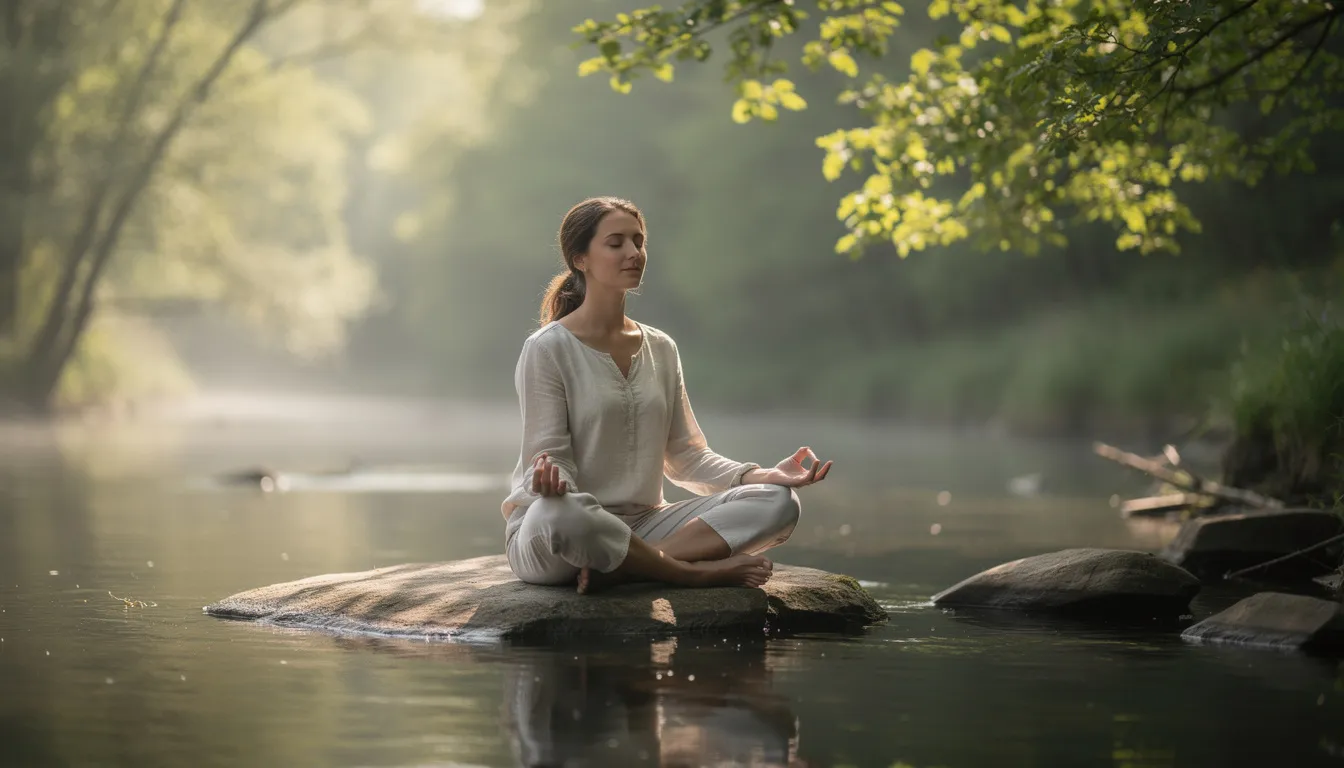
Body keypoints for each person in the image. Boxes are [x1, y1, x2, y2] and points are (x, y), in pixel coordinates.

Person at [500, 196, 833, 594]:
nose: (633, 253)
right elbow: (549, 456)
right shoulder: (547, 348)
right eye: (616, 243)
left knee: (779, 502)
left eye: (638, 241)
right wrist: (551, 486)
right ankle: (686, 572)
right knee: (565, 513)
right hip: (565, 526)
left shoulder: (661, 347)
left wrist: (761, 475)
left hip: (644, 524)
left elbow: (687, 457)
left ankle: (632, 566)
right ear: (580, 259)